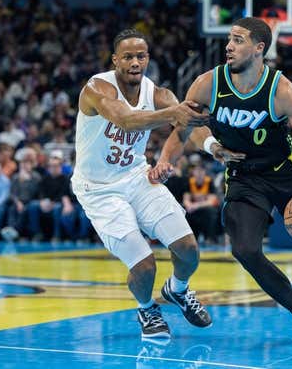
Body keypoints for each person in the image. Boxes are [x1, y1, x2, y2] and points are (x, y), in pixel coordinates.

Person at [149, 17, 292, 360]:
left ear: (259, 48)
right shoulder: (208, 84)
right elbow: (181, 129)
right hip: (243, 178)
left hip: (287, 174)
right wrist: (167, 161)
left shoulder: (282, 91)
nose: (229, 46)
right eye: (229, 39)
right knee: (245, 249)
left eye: (238, 40)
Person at [70, 28, 216, 342]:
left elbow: (187, 125)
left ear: (147, 58)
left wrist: (214, 148)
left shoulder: (158, 93)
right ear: (115, 60)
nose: (135, 62)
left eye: (141, 56)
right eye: (128, 57)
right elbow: (124, 119)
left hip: (137, 177)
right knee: (144, 264)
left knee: (188, 250)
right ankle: (147, 307)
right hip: (98, 190)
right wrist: (172, 113)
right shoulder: (97, 88)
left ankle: (177, 290)